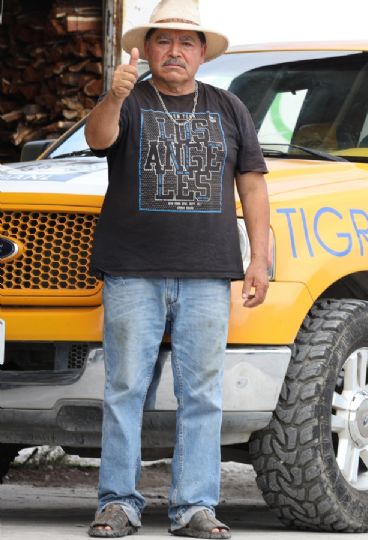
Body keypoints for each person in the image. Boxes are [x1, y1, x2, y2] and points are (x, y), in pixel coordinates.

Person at [83, 0, 270, 537]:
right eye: (164, 41)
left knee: (203, 392)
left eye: (187, 43)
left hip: (208, 272)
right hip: (132, 270)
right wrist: (112, 96)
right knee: (124, 388)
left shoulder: (229, 107)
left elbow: (252, 184)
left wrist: (260, 257)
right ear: (146, 49)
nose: (175, 51)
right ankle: (118, 502)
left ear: (203, 52)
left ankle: (194, 507)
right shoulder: (129, 99)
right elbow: (99, 139)